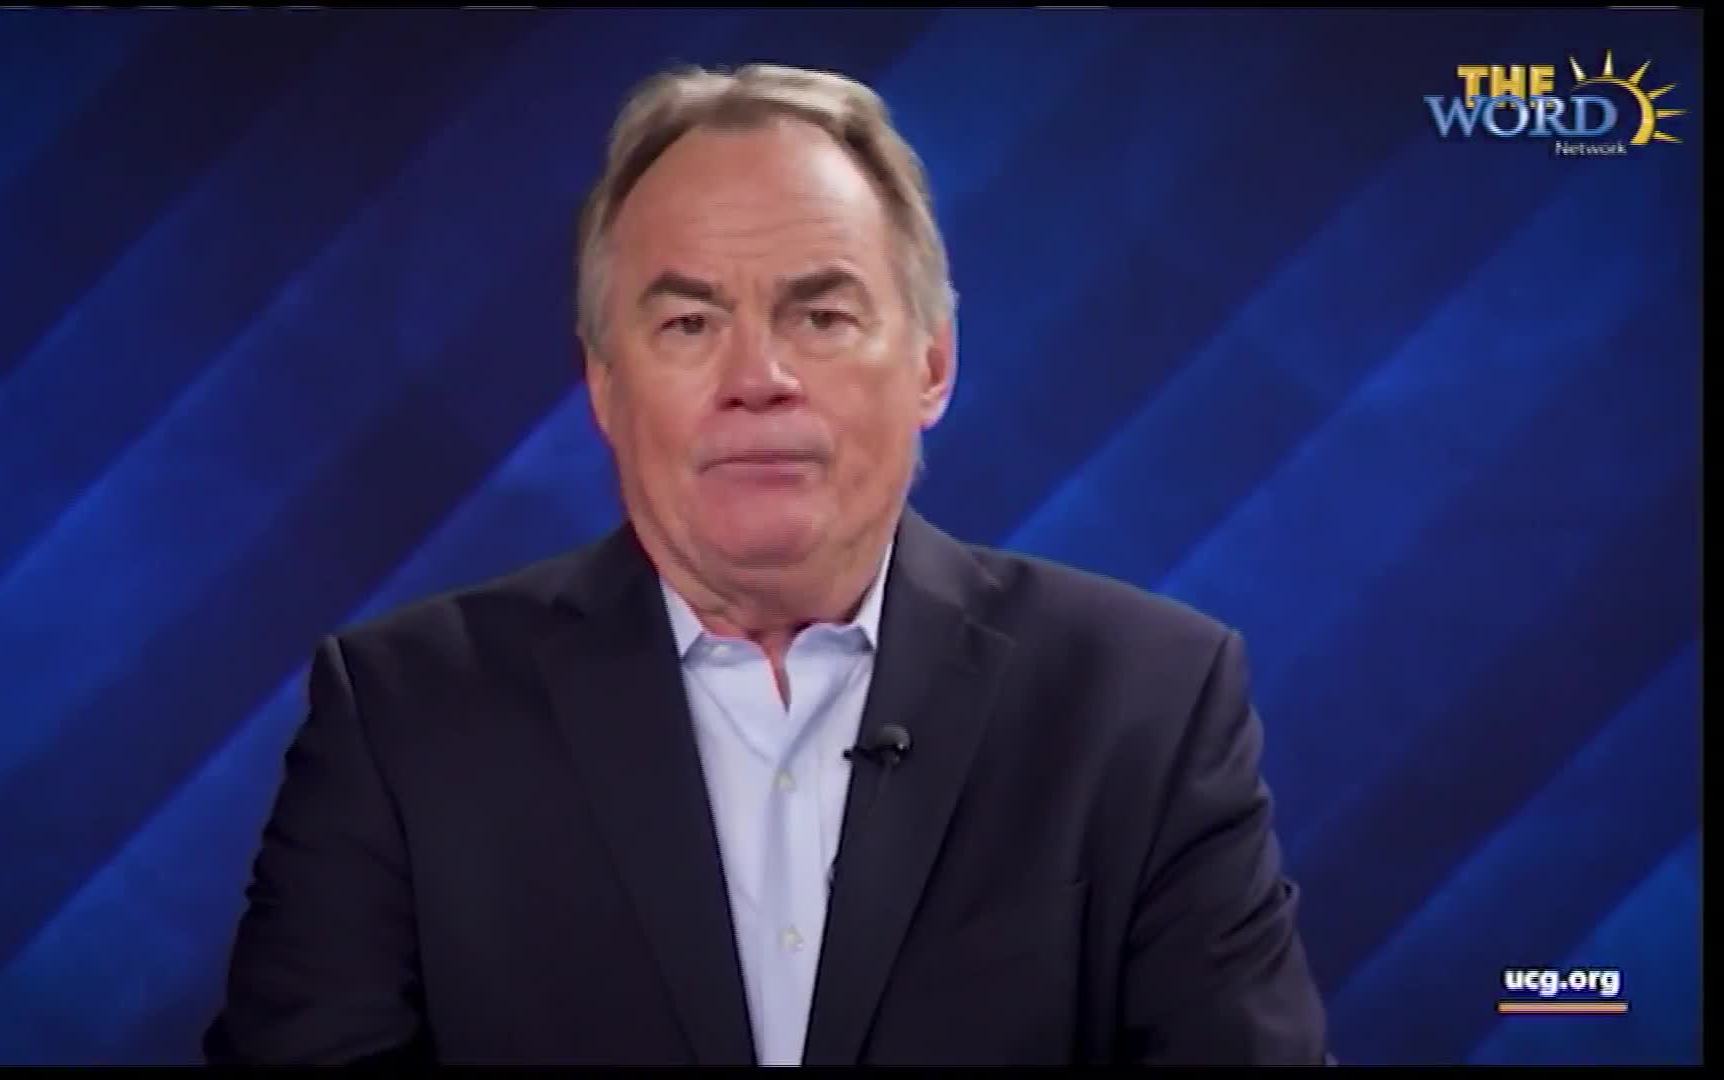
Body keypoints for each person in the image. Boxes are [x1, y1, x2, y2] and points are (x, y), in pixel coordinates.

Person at [202, 61, 1332, 1067]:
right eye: (689, 325)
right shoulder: (405, 717)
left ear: (932, 364)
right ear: (604, 384)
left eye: (822, 315)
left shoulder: (1144, 700)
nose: (759, 376)